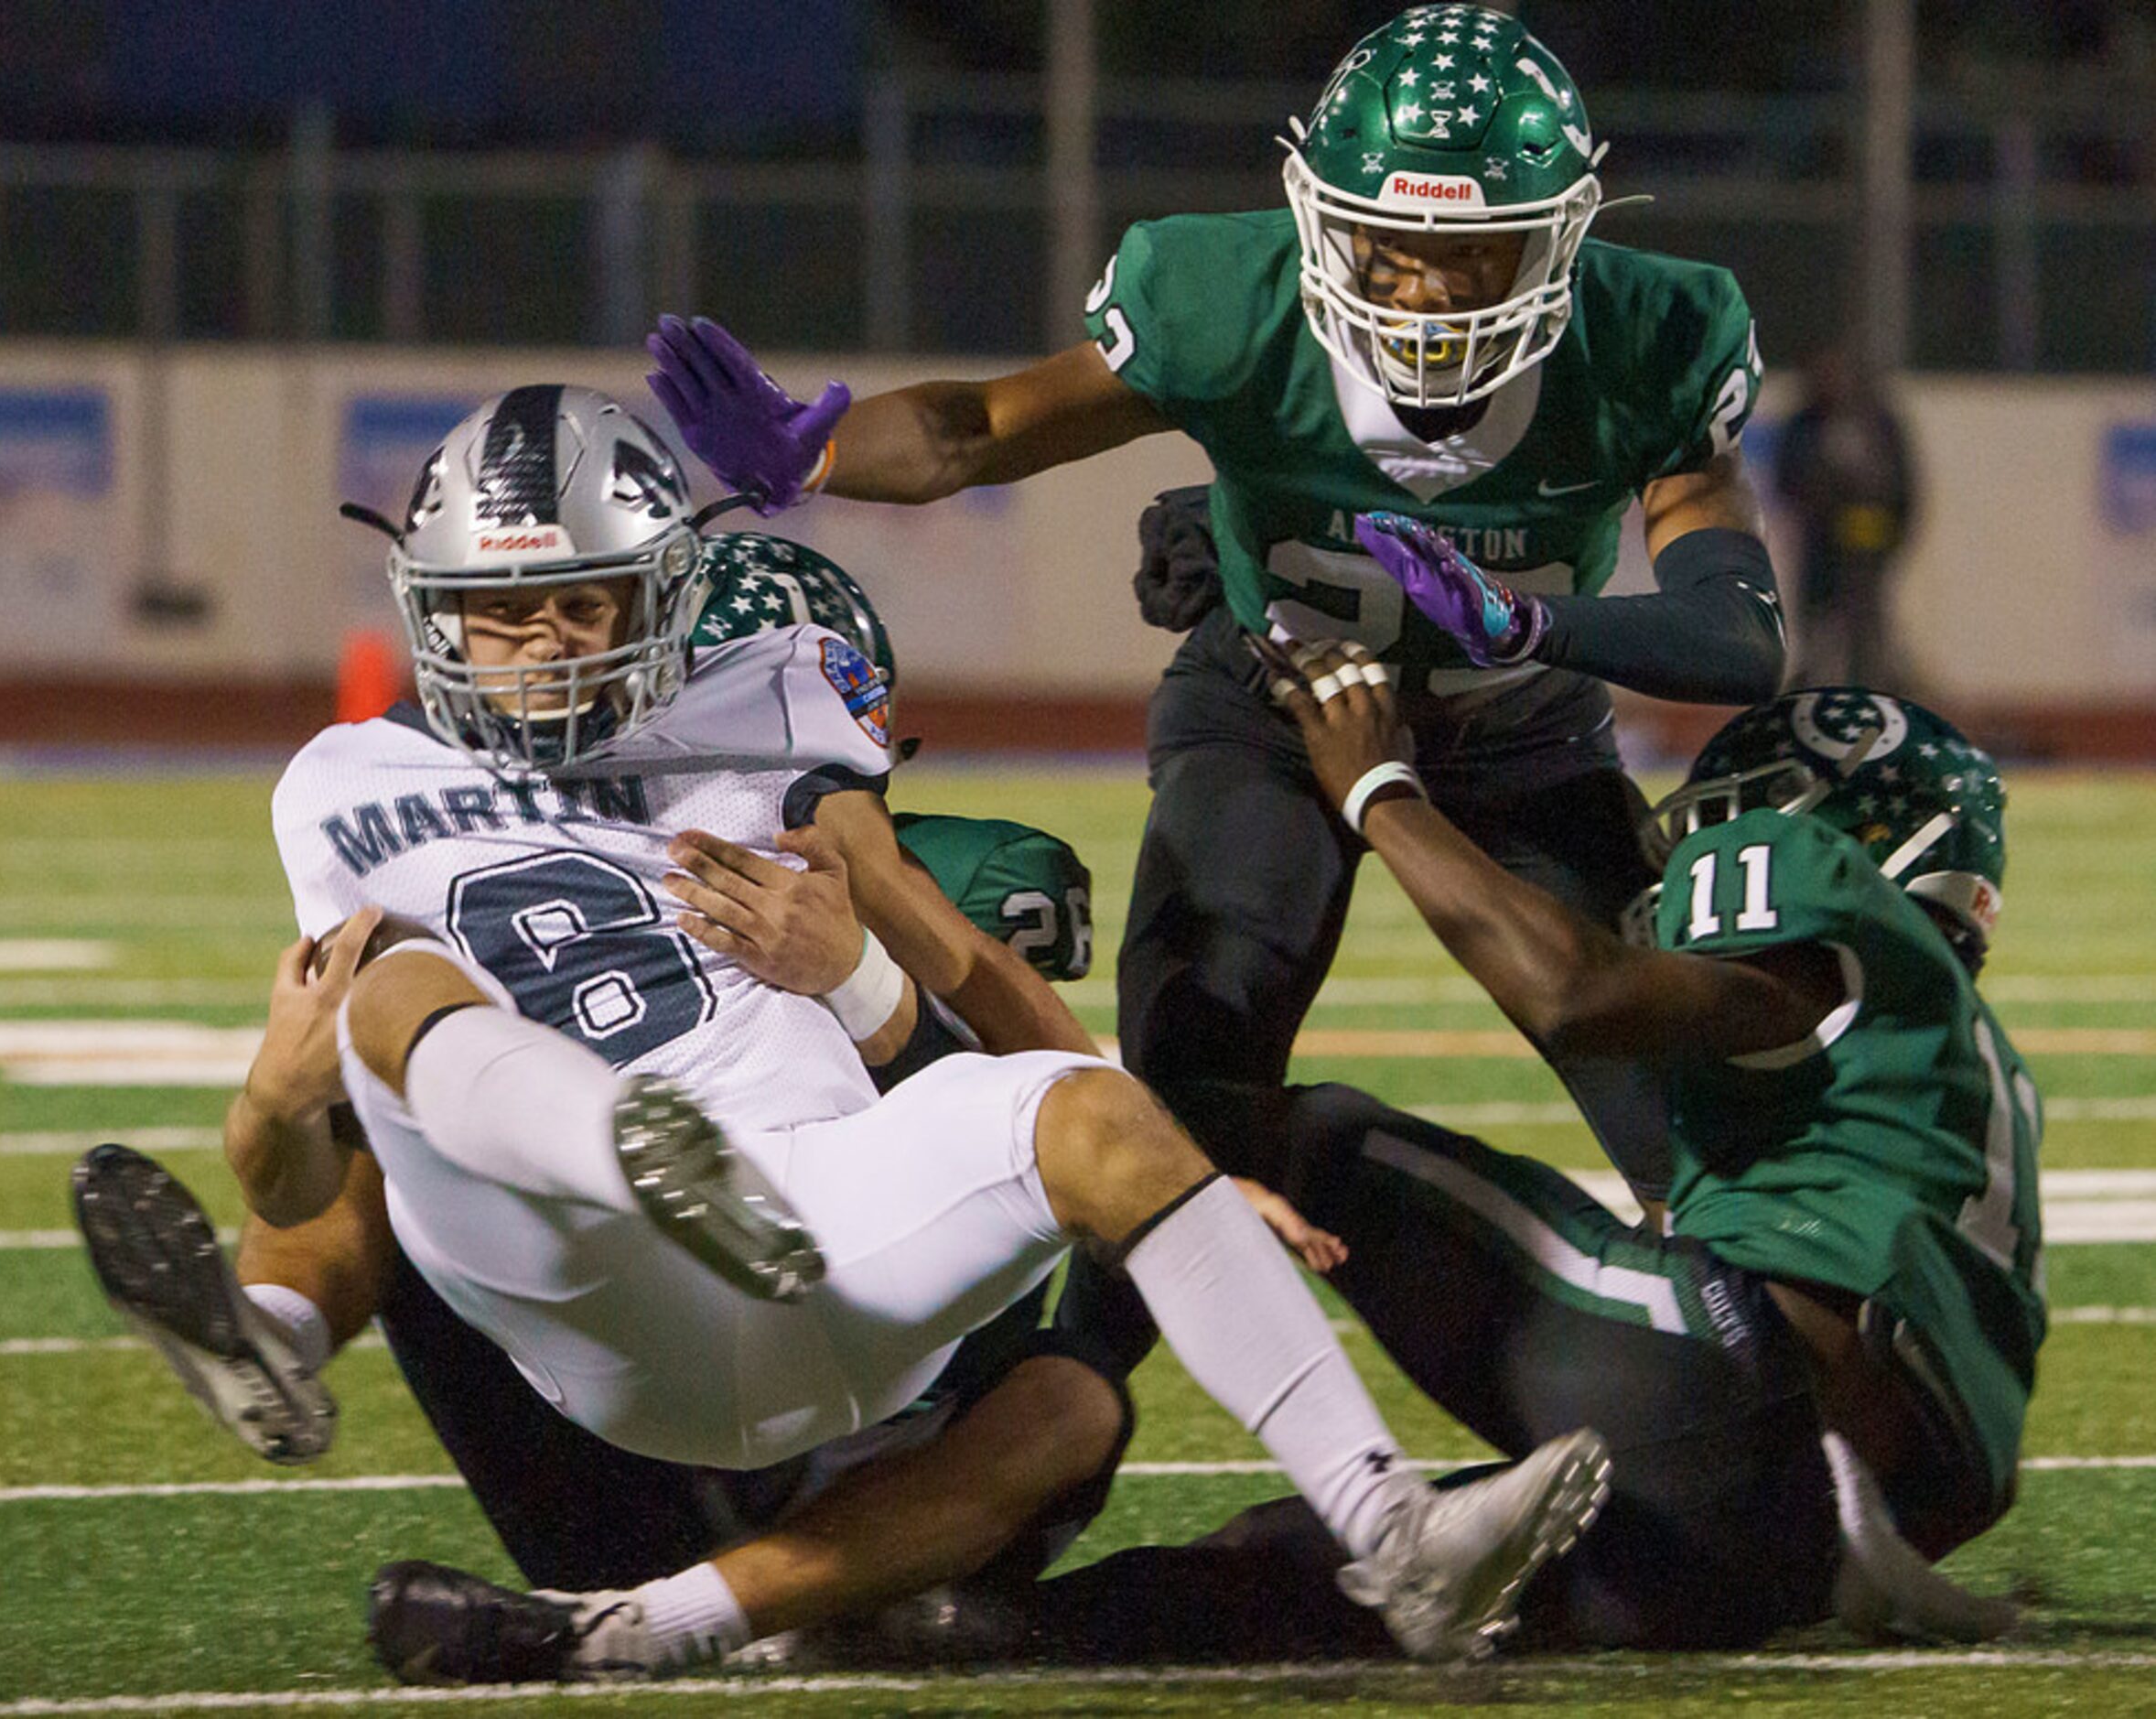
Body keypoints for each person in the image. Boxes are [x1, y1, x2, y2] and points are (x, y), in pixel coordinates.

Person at [86, 382, 1611, 1682]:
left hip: (823, 1216)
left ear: (670, 597)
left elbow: (965, 973)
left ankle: (1395, 1528)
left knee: (1083, 1122)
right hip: (582, 1261)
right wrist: (271, 1104)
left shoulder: (783, 708)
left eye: (583, 604)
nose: (542, 646)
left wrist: (1169, 1171)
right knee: (389, 991)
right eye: (497, 616)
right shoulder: (344, 785)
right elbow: (304, 1170)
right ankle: (544, 1189)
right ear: (431, 616)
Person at [642, 3, 1786, 1214]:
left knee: (1700, 1137)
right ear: (1318, 223)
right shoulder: (1227, 301)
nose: (1422, 289)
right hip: (1272, 708)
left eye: (1471, 252)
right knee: (1188, 1107)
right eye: (1383, 241)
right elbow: (978, 426)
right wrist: (813, 455)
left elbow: (1736, 635)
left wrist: (1526, 626)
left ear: (1559, 239)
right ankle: (1055, 1385)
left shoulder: (1651, 336)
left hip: (1519, 728)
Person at [996, 659, 2041, 1659]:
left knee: (1278, 1133)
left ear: (1858, 839)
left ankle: (1012, 1443)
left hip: (1731, 1383)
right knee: (1283, 1567)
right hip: (1786, 1550)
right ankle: (944, 1605)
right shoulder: (1960, 1072)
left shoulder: (1824, 930)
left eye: (1734, 817)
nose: (1695, 853)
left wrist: (1378, 789)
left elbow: (1573, 992)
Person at [1773, 344, 1919, 691]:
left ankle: (1873, 688)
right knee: (1816, 624)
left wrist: (1893, 537)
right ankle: (1812, 691)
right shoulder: (1803, 424)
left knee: (1865, 624)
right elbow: (1787, 482)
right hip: (1820, 544)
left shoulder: (1877, 423)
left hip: (1866, 546)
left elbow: (1903, 489)